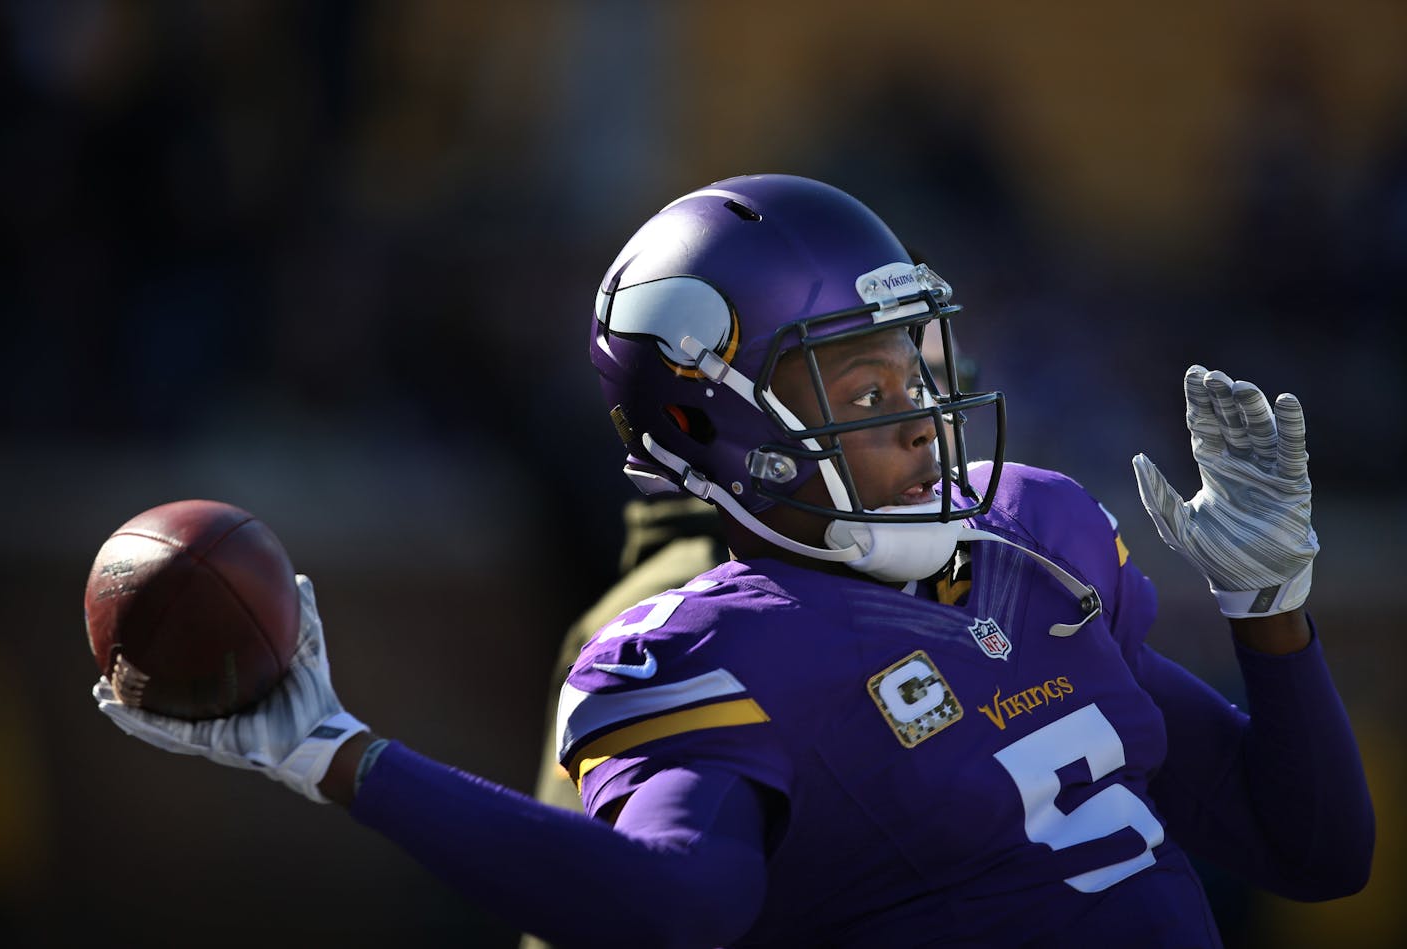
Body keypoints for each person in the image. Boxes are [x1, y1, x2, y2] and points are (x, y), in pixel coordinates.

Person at [93, 174, 1374, 948]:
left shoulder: (1038, 537)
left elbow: (1311, 850)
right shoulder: (705, 653)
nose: (924, 418)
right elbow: (673, 913)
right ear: (722, 422)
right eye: (865, 387)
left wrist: (1269, 612)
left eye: (921, 369)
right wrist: (343, 756)